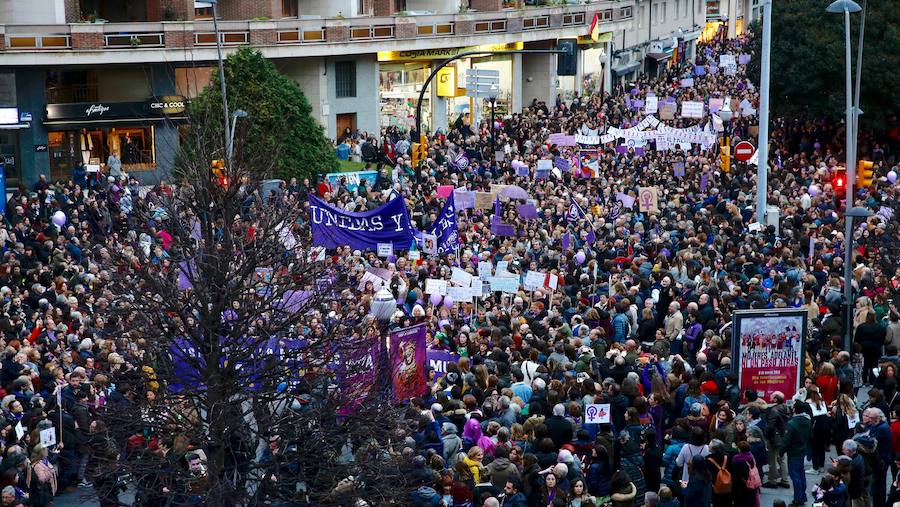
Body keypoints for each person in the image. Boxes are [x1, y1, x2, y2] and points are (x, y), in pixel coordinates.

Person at [780, 401, 812, 507]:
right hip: (802, 451)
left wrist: (781, 452)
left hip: (793, 452)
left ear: (794, 409)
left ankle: (798, 499)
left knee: (795, 476)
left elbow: (786, 441)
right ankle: (802, 496)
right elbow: (810, 437)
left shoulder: (791, 423)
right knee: (801, 474)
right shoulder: (808, 421)